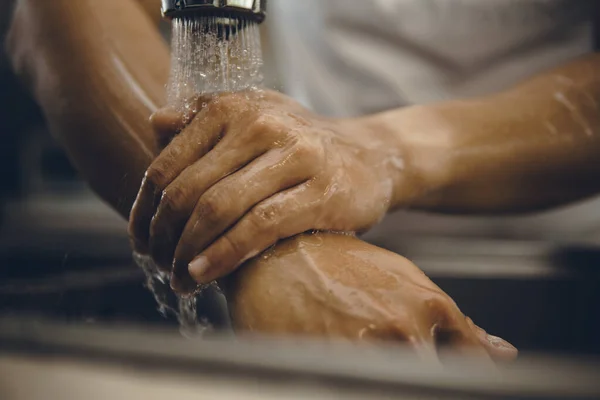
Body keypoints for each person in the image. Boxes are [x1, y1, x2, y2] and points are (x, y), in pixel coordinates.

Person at [9, 0, 566, 361]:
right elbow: (54, 15)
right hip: (312, 269)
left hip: (562, 263)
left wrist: (386, 150)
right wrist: (275, 243)